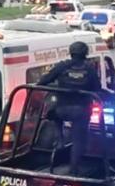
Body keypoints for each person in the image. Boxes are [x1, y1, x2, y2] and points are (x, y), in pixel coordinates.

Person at [38, 41, 102, 175]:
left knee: (51, 112)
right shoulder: (90, 69)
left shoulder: (62, 66)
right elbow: (97, 89)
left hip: (62, 110)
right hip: (82, 112)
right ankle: (74, 169)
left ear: (71, 52)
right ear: (85, 53)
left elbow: (43, 81)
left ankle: (60, 138)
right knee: (78, 140)